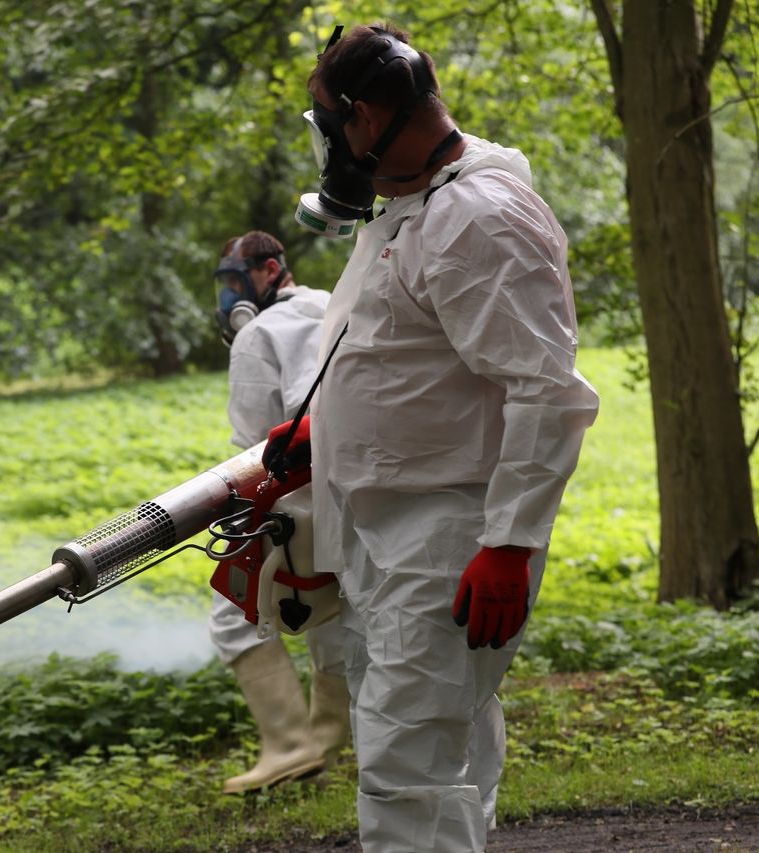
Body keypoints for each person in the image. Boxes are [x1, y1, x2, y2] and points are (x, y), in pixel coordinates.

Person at [265, 23, 600, 852]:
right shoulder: (414, 205)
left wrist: (511, 542)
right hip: (390, 530)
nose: (330, 146)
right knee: (447, 746)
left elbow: (544, 388)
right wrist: (322, 426)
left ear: (369, 115)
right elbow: (407, 350)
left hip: (450, 534)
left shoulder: (476, 217)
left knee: (405, 761)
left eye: (330, 122)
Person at [208, 230, 352, 795]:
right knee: (336, 612)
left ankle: (291, 747)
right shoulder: (332, 303)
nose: (227, 298)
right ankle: (333, 741)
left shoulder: (256, 336)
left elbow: (250, 451)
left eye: (234, 283)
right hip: (362, 491)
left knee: (232, 613)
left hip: (297, 501)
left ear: (270, 272)